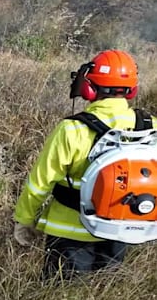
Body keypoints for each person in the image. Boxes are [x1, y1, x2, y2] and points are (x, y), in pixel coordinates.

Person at [12, 50, 154, 280]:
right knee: (103, 299)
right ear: (132, 89)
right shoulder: (150, 127)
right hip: (123, 231)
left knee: (60, 299)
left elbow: (40, 183)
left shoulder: (73, 129)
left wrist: (25, 220)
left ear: (89, 88)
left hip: (70, 233)